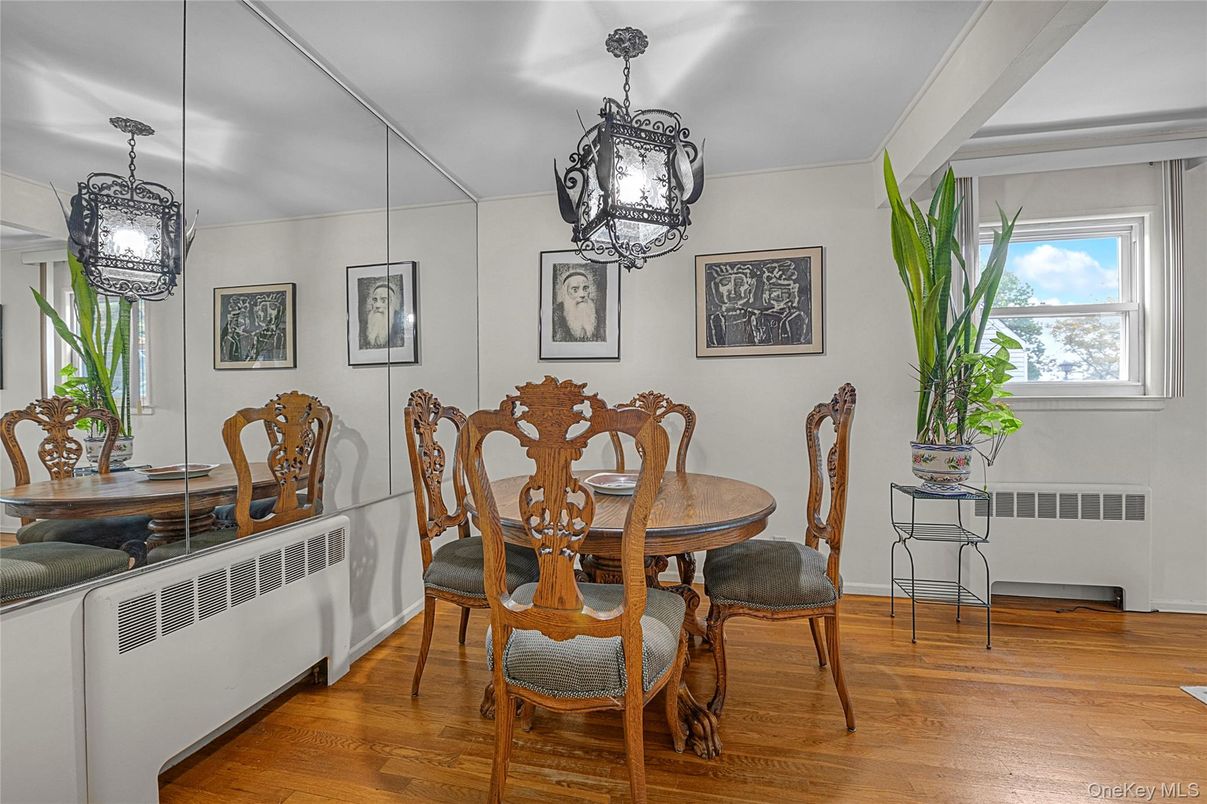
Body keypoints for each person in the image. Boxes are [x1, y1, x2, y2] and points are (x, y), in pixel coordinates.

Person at [706, 265, 758, 347]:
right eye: (725, 283)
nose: (733, 291)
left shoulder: (755, 317)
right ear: (715, 287)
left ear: (750, 286)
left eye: (740, 282)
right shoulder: (713, 320)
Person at [552, 268, 605, 342]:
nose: (582, 295)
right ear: (566, 292)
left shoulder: (598, 313)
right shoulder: (555, 314)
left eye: (585, 289)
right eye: (575, 290)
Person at [362, 280, 405, 349]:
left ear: (391, 302)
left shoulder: (400, 323)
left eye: (383, 300)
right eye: (375, 300)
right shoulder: (365, 324)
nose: (377, 305)